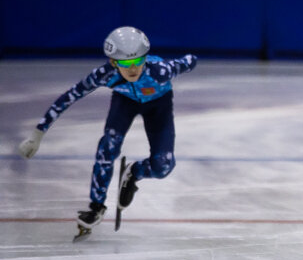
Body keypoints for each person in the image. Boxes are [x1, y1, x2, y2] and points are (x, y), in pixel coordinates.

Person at [17, 27, 198, 241]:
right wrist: (38, 134)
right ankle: (96, 206)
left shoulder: (160, 71)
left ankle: (134, 173)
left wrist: (189, 60)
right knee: (108, 145)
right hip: (125, 103)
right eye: (124, 64)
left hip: (159, 106)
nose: (132, 69)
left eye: (137, 62)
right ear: (113, 62)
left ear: (145, 58)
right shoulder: (104, 75)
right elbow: (69, 97)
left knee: (163, 166)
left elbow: (190, 60)